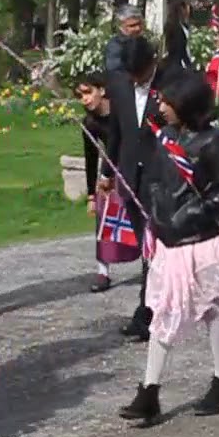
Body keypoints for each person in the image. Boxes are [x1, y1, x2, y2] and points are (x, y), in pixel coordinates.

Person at [119, 73, 219, 427]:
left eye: (167, 103)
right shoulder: (165, 137)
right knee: (162, 312)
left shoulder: (212, 141)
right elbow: (156, 178)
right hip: (169, 240)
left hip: (202, 240)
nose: (161, 107)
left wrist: (194, 212)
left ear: (186, 105)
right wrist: (157, 216)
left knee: (214, 310)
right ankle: (149, 390)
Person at [97, 35, 170, 342]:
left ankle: (149, 313)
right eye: (130, 75)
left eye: (139, 74)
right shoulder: (118, 84)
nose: (134, 80)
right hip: (130, 177)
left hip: (161, 176)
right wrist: (106, 171)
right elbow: (115, 131)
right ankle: (151, 308)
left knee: (157, 249)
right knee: (146, 248)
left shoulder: (171, 81)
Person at [76, 73, 129, 292]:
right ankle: (103, 271)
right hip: (110, 172)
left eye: (88, 93)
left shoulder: (124, 111)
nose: (85, 99)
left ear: (102, 90)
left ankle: (153, 264)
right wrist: (90, 195)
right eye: (80, 96)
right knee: (102, 217)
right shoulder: (90, 123)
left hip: (133, 166)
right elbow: (90, 159)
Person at [104, 5, 147, 72]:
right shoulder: (115, 46)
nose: (138, 28)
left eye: (139, 24)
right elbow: (116, 72)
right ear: (121, 27)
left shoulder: (143, 42)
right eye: (132, 26)